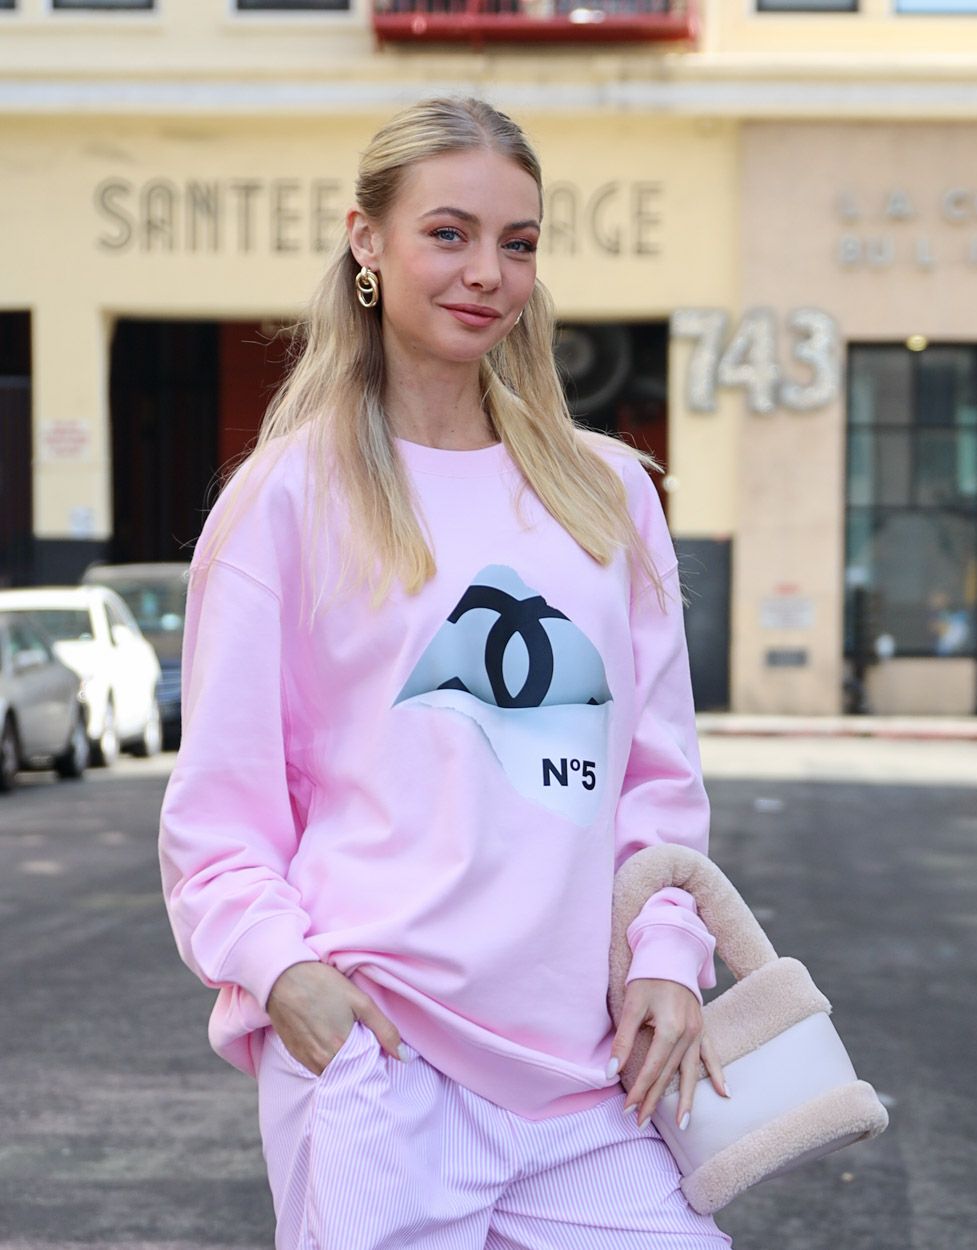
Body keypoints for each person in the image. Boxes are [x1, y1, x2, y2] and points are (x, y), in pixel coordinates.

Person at [158, 96, 734, 1250]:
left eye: (517, 242)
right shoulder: (283, 498)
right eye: (448, 233)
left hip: (590, 1078)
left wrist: (670, 951)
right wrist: (284, 975)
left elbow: (658, 778)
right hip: (382, 1060)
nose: (487, 273)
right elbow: (218, 817)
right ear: (365, 240)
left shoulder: (608, 493)